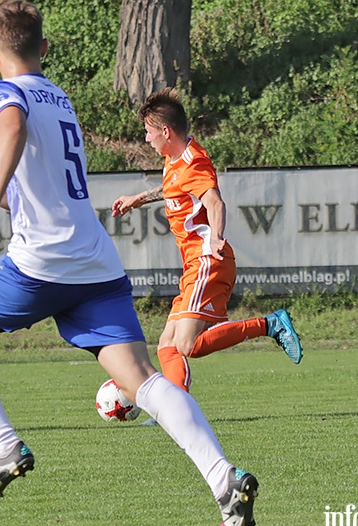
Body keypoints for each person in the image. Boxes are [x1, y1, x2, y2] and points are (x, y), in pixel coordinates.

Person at [0, 0, 259, 526]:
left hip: (41, 264)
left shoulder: (1, 91)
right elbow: (35, 195)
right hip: (95, 263)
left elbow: (8, 131)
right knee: (142, 379)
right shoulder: (60, 99)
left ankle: (3, 448)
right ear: (45, 49)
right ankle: (225, 480)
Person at [111, 88, 303, 398]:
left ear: (165, 131)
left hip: (206, 259)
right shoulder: (176, 159)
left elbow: (215, 202)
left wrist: (215, 238)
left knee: (187, 345)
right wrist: (139, 199)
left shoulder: (193, 163)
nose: (146, 139)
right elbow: (172, 188)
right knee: (167, 345)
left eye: (148, 133)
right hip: (193, 264)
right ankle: (174, 410)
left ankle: (269, 325)